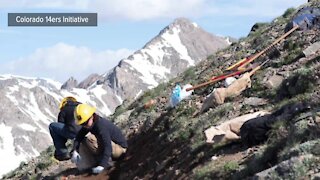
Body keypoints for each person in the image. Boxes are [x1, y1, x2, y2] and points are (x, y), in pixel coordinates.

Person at [71, 103, 128, 174]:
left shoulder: (101, 125)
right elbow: (78, 137)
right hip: (111, 147)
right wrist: (75, 150)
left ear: (91, 116)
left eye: (85, 122)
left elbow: (108, 146)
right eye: (82, 124)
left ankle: (107, 162)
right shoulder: (90, 124)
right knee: (84, 140)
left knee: (90, 138)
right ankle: (92, 164)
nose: (84, 125)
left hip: (120, 150)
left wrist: (102, 165)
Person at [49, 96, 82, 161]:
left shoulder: (64, 110)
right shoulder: (82, 106)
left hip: (74, 133)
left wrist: (60, 145)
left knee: (52, 126)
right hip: (87, 130)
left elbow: (61, 131)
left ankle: (62, 153)